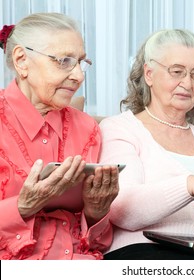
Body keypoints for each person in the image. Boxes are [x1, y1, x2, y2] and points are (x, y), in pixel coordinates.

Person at [99, 29, 194, 260]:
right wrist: (190, 184)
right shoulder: (120, 129)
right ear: (149, 74)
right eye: (177, 72)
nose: (187, 83)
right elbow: (121, 209)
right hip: (143, 253)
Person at [0, 13, 119, 260]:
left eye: (81, 62)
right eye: (64, 61)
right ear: (22, 60)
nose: (79, 75)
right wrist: (22, 207)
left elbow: (100, 242)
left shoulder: (87, 129)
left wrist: (96, 212)